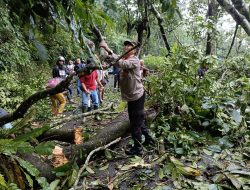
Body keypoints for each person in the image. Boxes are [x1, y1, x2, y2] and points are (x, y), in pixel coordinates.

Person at [100, 40, 155, 156]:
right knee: (138, 120)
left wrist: (108, 49)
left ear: (134, 50)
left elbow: (123, 64)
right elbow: (116, 62)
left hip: (137, 97)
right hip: (132, 97)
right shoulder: (124, 60)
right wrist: (106, 55)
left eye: (129, 46)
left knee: (135, 123)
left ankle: (138, 149)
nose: (126, 48)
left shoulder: (134, 60)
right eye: (125, 46)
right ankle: (149, 139)